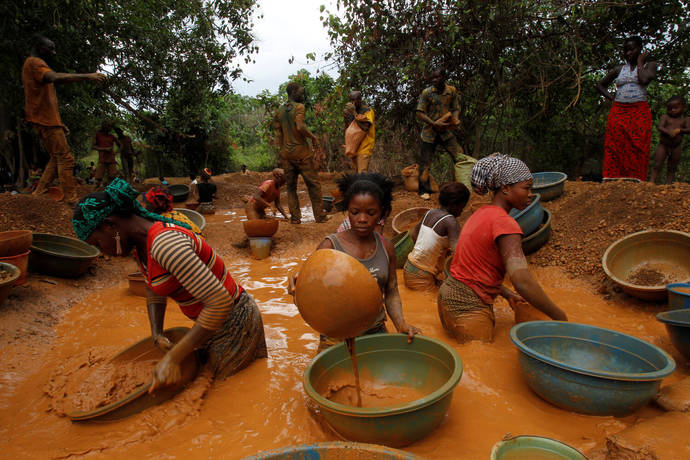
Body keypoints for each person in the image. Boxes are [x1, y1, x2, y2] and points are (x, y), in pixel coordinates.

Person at [72, 178, 267, 388]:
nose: (104, 252)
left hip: (235, 323)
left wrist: (173, 358)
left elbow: (220, 303)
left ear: (110, 225)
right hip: (213, 325)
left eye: (98, 243)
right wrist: (157, 333)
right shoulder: (141, 247)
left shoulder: (166, 244)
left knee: (223, 390)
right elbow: (152, 284)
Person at [438, 154, 567, 343]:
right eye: (526, 188)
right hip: (468, 307)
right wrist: (560, 317)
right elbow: (522, 282)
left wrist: (507, 294)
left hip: (447, 298)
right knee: (481, 363)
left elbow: (475, 269)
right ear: (505, 188)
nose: (531, 194)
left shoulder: (480, 215)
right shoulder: (505, 224)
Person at [302, 173, 422, 353]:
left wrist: (401, 324)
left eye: (371, 213)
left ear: (382, 212)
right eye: (355, 212)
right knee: (334, 380)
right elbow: (310, 292)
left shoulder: (387, 247)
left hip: (375, 330)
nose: (362, 219)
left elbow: (391, 290)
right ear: (347, 211)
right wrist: (297, 289)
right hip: (337, 335)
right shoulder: (330, 246)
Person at [23, 35, 106, 203]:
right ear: (39, 48)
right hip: (45, 120)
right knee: (66, 158)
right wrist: (87, 76)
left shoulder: (31, 64)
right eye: (50, 49)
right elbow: (54, 77)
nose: (53, 53)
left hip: (48, 120)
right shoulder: (35, 63)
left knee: (56, 156)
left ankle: (39, 193)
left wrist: (59, 123)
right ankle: (71, 198)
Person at [597, 36, 657, 181]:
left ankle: (635, 179)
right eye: (626, 50)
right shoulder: (619, 69)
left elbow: (643, 79)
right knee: (615, 143)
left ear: (640, 49)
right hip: (619, 110)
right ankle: (613, 178)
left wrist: (640, 62)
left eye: (632, 49)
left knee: (638, 144)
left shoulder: (650, 65)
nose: (628, 53)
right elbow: (600, 84)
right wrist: (611, 97)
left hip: (639, 110)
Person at [273, 82, 328, 224]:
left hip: (287, 155)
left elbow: (279, 135)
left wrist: (283, 151)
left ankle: (295, 218)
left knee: (291, 188)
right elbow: (300, 126)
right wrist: (313, 137)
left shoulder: (279, 111)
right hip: (302, 153)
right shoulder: (299, 107)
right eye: (301, 92)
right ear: (293, 93)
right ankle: (320, 217)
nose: (302, 95)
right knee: (313, 185)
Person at [403, 182, 469, 291]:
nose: (462, 212)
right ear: (455, 204)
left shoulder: (430, 213)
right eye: (462, 207)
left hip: (409, 267)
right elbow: (458, 253)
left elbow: (414, 235)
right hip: (421, 276)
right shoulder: (451, 221)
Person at [415, 68, 463, 200]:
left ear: (443, 77)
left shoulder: (451, 91)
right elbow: (420, 113)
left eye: (437, 78)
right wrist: (434, 123)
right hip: (429, 132)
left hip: (446, 132)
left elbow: (455, 108)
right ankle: (423, 190)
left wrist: (455, 119)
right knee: (426, 162)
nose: (434, 80)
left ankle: (462, 186)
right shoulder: (427, 93)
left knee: (459, 157)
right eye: (432, 79)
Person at [651, 96, 689, 184]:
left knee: (672, 167)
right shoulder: (665, 117)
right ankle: (651, 182)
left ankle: (668, 184)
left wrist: (680, 130)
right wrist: (668, 132)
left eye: (676, 108)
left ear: (684, 107)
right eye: (670, 108)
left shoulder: (685, 120)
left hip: (676, 146)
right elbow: (660, 127)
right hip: (663, 145)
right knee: (657, 164)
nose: (672, 110)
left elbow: (689, 129)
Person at [343, 90, 375, 173]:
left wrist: (354, 112)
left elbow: (365, 128)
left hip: (365, 146)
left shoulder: (368, 111)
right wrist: (346, 118)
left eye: (354, 100)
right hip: (354, 148)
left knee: (362, 173)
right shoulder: (351, 112)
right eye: (351, 100)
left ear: (360, 100)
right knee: (356, 173)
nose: (352, 102)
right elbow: (348, 130)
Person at [92, 121, 119, 189]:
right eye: (108, 126)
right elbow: (93, 146)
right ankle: (93, 194)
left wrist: (116, 152)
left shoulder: (112, 136)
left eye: (110, 126)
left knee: (113, 177)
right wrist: (104, 149)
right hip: (102, 159)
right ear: (104, 127)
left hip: (111, 160)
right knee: (98, 178)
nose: (110, 128)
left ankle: (110, 192)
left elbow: (121, 145)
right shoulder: (98, 135)